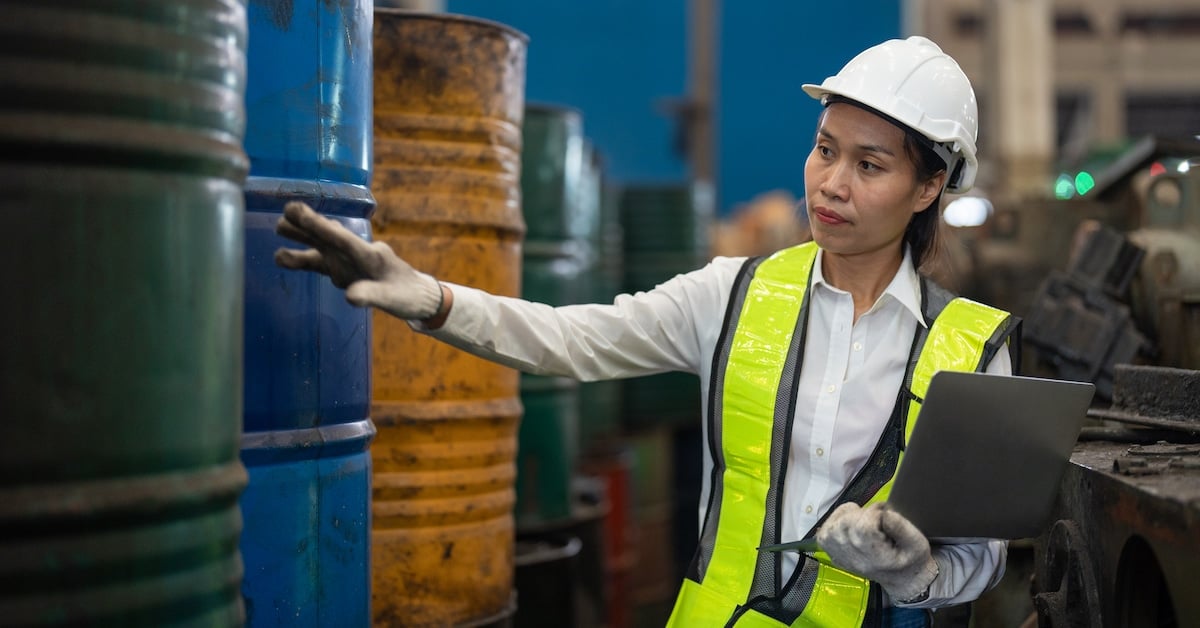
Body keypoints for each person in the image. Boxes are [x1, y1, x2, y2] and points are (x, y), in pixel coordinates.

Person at [274, 35, 1021, 628]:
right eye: (826, 149)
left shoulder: (971, 350)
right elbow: (568, 337)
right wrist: (427, 297)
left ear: (929, 187)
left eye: (870, 164)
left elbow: (981, 558)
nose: (832, 183)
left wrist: (912, 573)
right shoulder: (733, 295)